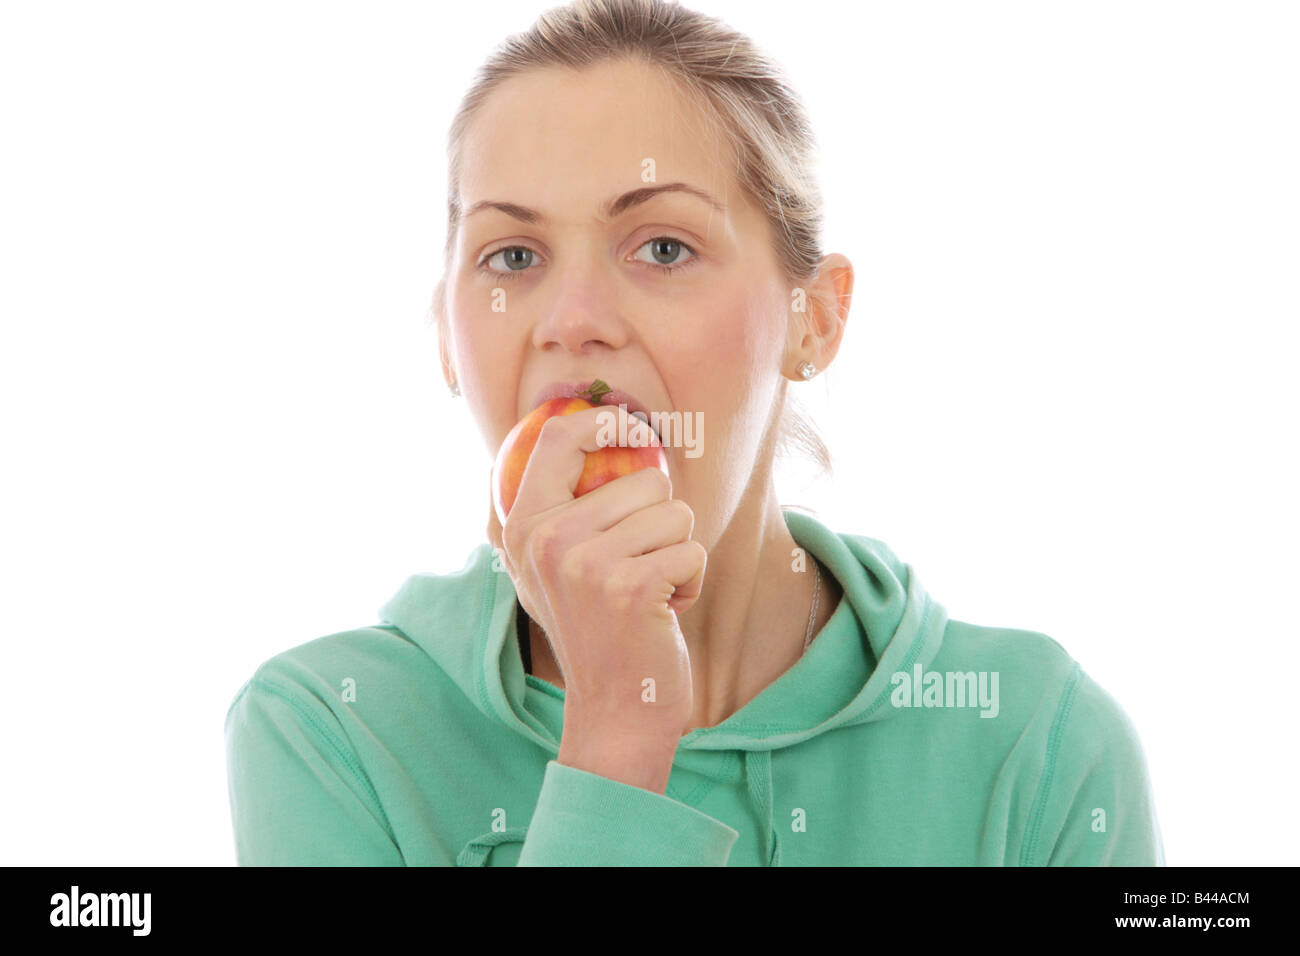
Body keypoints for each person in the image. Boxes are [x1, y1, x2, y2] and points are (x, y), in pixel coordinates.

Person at [225, 0, 1164, 866]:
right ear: (446, 339)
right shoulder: (325, 731)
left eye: (663, 248)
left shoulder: (1039, 741)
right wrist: (615, 738)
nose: (574, 318)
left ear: (815, 320)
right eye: (514, 256)